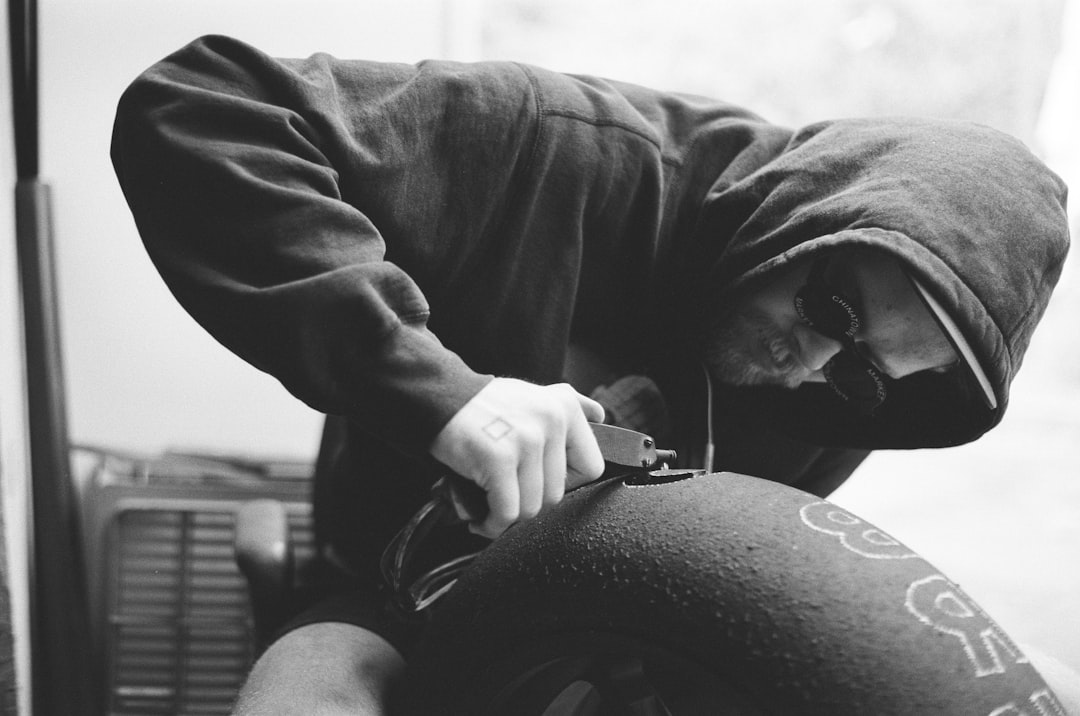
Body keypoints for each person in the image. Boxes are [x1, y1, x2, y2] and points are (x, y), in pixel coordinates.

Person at [110, 35, 1071, 715]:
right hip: (390, 608)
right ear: (816, 214)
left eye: (865, 372)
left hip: (629, 643)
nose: (811, 367)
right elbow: (200, 108)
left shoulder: (840, 388)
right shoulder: (557, 146)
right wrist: (444, 396)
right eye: (830, 310)